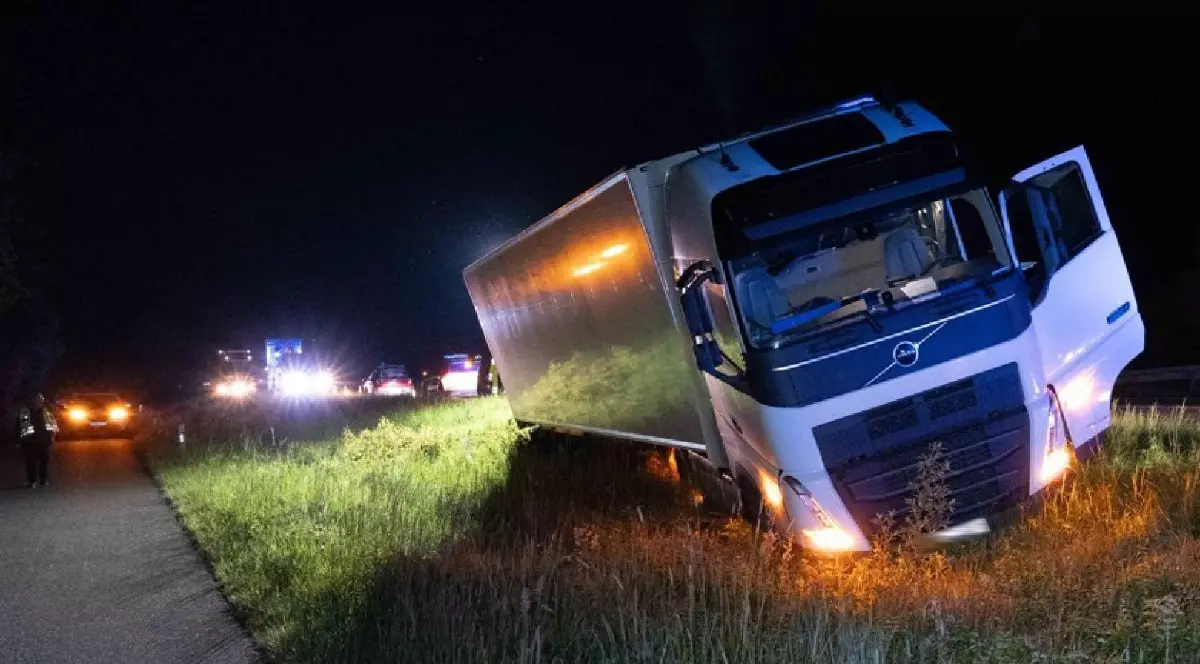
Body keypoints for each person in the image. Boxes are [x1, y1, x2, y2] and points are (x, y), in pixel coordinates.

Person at [15, 392, 56, 488]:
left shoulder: (47, 411)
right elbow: (18, 427)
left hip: (44, 442)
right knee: (31, 463)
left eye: (40, 400)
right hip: (30, 442)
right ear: (32, 401)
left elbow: (53, 425)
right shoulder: (25, 412)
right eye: (37, 400)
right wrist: (17, 440)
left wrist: (52, 437)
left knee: (44, 463)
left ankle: (43, 481)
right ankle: (32, 481)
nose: (39, 402)